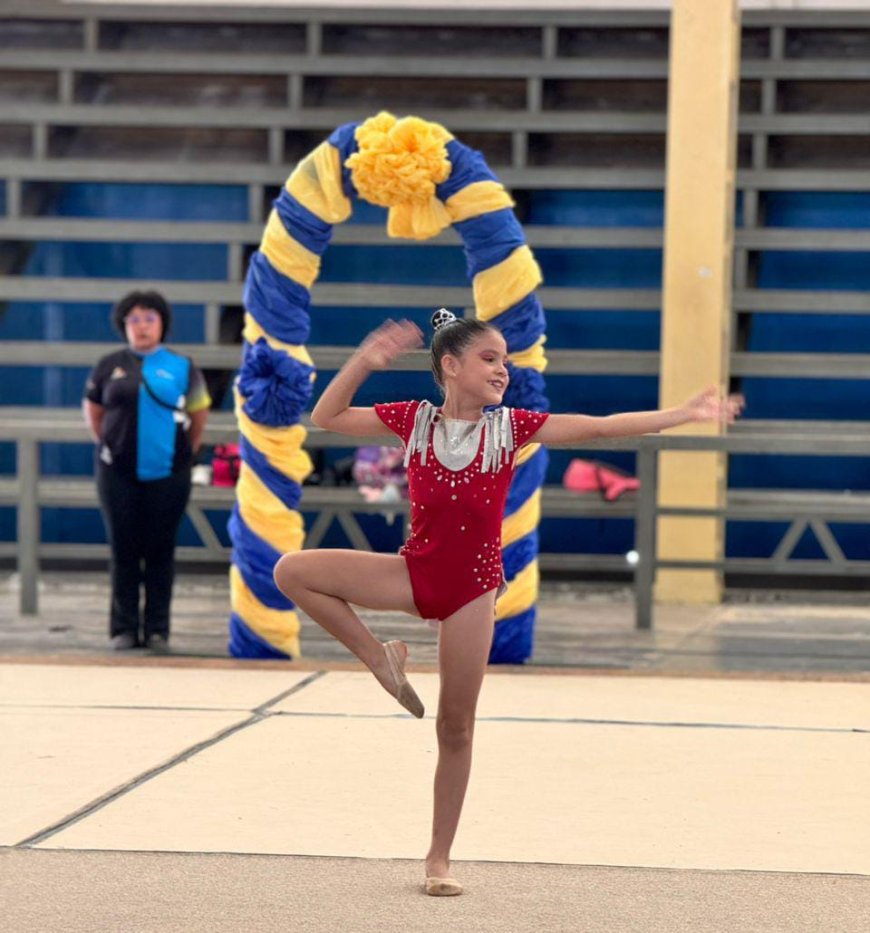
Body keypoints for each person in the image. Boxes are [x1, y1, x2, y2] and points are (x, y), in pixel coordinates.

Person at [273, 309, 743, 896]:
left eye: (505, 360)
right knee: (293, 570)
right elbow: (327, 416)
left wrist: (684, 414)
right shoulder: (413, 420)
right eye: (489, 359)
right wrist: (366, 361)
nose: (503, 369)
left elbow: (599, 428)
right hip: (414, 573)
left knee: (456, 726)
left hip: (471, 588)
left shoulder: (511, 428)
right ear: (450, 366)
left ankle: (438, 859)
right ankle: (377, 656)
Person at [82, 290, 211, 653]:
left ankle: (157, 630)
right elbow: (93, 412)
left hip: (169, 474)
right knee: (123, 550)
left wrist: (183, 454)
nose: (141, 326)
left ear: (162, 324)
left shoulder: (183, 366)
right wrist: (110, 446)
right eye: (134, 319)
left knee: (160, 550)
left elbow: (199, 414)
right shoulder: (108, 365)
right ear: (123, 325)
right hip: (116, 474)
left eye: (149, 319)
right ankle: (123, 629)